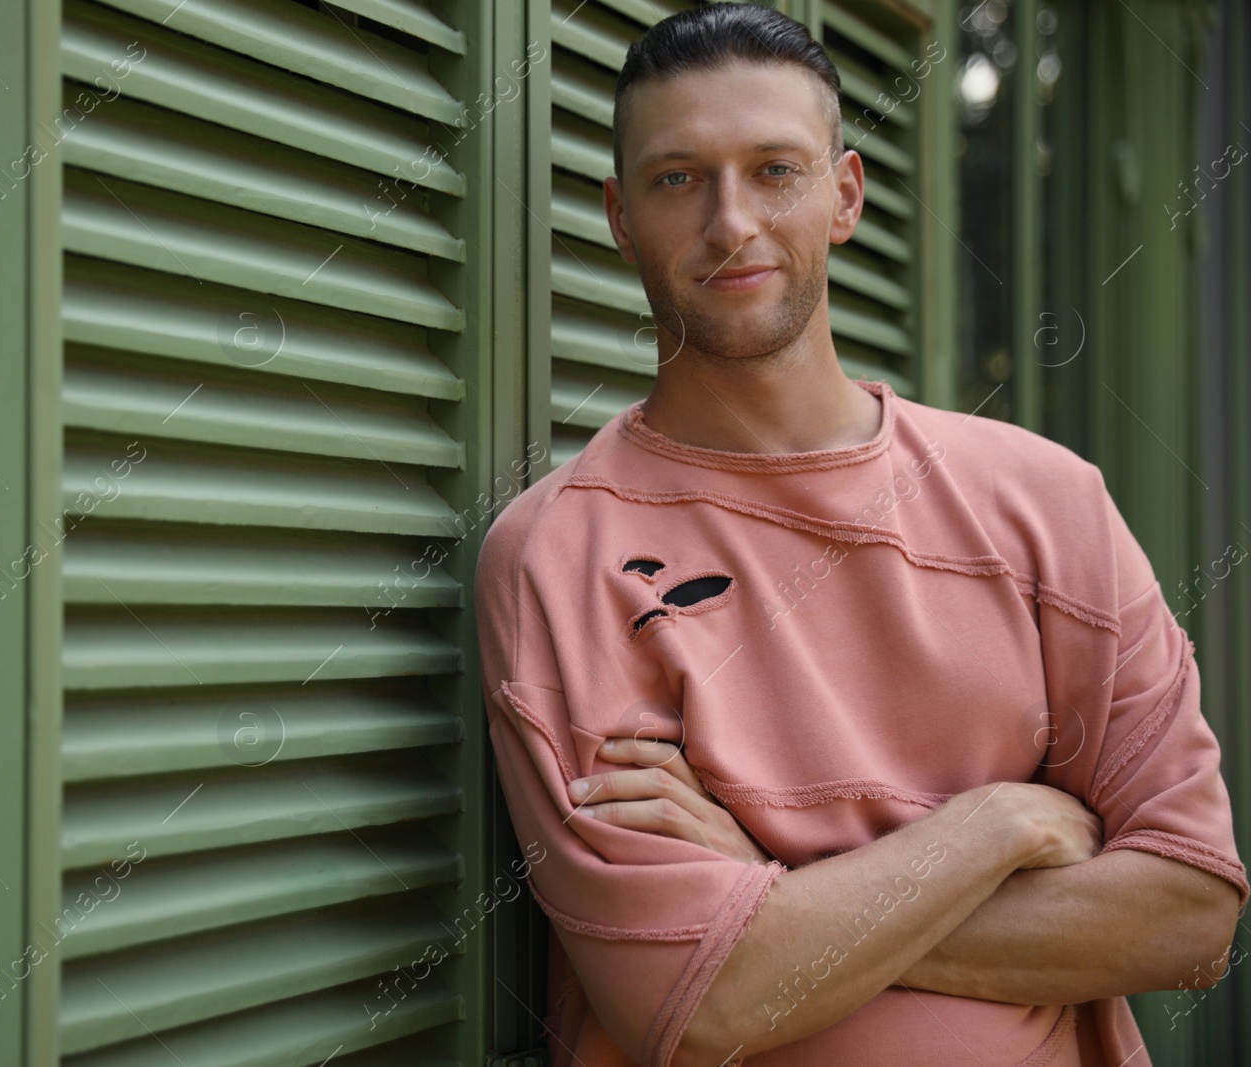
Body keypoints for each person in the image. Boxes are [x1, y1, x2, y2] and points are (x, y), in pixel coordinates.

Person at [472, 5, 1246, 1065]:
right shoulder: (556, 555)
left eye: (774, 170)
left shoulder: (1043, 501)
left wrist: (778, 895)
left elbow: (1190, 913)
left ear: (844, 195)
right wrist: (999, 825)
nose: (729, 222)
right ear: (618, 215)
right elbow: (697, 1001)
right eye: (676, 178)